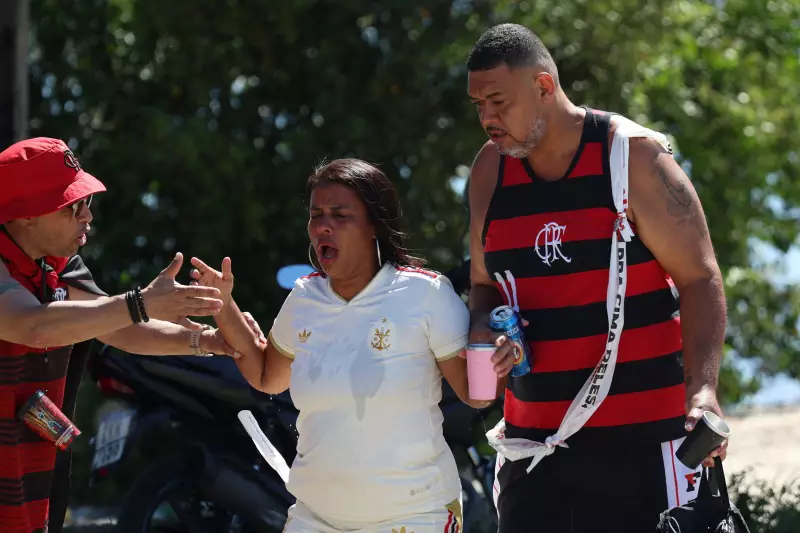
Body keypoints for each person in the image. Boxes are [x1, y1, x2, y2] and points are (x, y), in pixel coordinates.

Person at [464, 23, 729, 532]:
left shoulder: (634, 157)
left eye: (498, 101)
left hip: (645, 448)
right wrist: (481, 327)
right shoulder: (489, 172)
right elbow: (484, 283)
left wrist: (704, 393)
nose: (487, 119)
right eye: (478, 105)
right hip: (534, 452)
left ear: (544, 86)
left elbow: (701, 279)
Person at [189, 158, 516, 533]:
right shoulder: (303, 299)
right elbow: (267, 376)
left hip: (412, 518)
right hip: (315, 518)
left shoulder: (426, 293)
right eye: (316, 215)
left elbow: (476, 395)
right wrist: (224, 306)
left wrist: (498, 355)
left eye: (340, 215)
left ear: (374, 225)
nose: (322, 225)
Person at [0, 137, 245, 533]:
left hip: (30, 477)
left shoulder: (60, 267)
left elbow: (118, 328)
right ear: (26, 214)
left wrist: (205, 341)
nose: (87, 216)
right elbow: (31, 324)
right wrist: (140, 302)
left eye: (87, 203)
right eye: (72, 206)